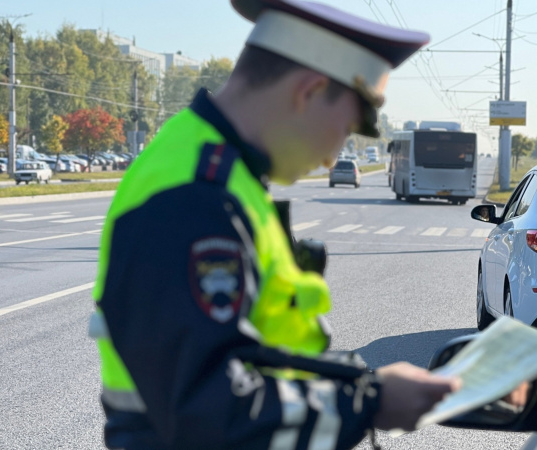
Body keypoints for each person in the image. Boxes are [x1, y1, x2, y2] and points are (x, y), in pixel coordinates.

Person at [90, 1, 461, 448]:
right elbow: (207, 410)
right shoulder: (193, 195)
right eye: (345, 127)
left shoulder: (224, 174)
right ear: (307, 91)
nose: (333, 156)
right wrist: (369, 404)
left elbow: (260, 354)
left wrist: (359, 383)